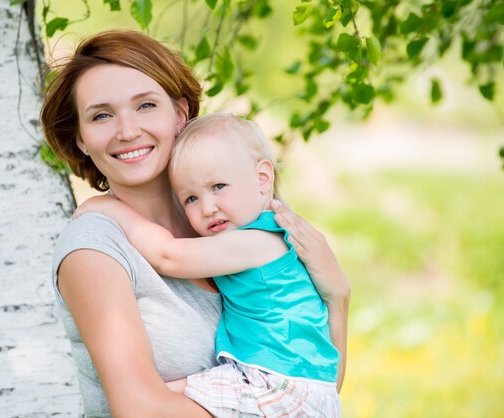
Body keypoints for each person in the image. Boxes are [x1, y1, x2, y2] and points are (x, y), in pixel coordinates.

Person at [40, 30, 350, 417]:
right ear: (81, 139)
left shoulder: (223, 219)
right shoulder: (95, 246)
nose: (127, 130)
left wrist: (338, 297)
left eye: (146, 105)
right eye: (101, 115)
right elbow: (141, 411)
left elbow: (307, 390)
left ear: (180, 114)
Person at [75, 113, 341, 417]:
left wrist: (107, 207)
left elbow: (168, 255)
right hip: (300, 381)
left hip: (278, 383)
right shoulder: (263, 234)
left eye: (218, 186)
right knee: (161, 392)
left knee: (160, 395)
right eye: (190, 198)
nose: (207, 207)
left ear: (262, 178)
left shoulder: (258, 242)